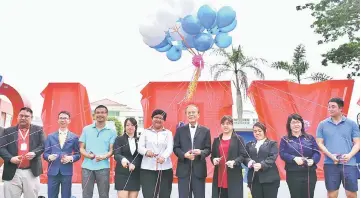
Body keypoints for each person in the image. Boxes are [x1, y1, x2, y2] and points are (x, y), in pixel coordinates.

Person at [316, 98, 360, 198]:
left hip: (349, 164)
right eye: (329, 107)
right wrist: (331, 156)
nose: (330, 109)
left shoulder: (351, 124)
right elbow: (319, 143)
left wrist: (349, 155)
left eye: (333, 107)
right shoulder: (322, 124)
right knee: (332, 194)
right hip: (330, 164)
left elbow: (357, 143)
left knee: (351, 194)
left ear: (340, 108)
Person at [0, 107, 45, 198]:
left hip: (31, 171)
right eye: (21, 115)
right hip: (13, 171)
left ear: (31, 118)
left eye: (26, 116)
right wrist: (11, 158)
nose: (23, 118)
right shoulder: (7, 131)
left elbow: (43, 145)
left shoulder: (38, 130)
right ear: (17, 117)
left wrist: (34, 153)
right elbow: (1, 147)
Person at [173, 104, 211, 198]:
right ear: (186, 115)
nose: (191, 114)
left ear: (198, 115)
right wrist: (184, 155)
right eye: (189, 112)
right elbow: (176, 148)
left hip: (199, 170)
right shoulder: (180, 130)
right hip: (183, 171)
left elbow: (208, 149)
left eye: (193, 112)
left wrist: (201, 152)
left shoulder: (205, 130)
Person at [79, 105, 117, 198]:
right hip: (87, 167)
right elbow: (81, 148)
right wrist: (88, 155)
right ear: (94, 115)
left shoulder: (112, 131)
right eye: (98, 112)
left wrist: (104, 156)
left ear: (106, 115)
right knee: (86, 195)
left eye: (103, 112)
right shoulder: (86, 129)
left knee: (104, 195)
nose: (100, 114)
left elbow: (111, 150)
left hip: (103, 167)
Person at [279, 113, 320, 198]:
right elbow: (282, 153)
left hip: (309, 173)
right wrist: (294, 158)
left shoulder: (310, 138)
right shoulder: (285, 139)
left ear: (302, 124)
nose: (296, 125)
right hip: (293, 174)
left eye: (298, 122)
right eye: (293, 122)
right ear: (289, 125)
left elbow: (317, 153)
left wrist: (313, 160)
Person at [43, 111, 81, 198]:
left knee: (66, 195)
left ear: (69, 121)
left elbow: (78, 154)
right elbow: (45, 153)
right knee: (51, 195)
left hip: (66, 171)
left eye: (65, 118)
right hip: (53, 171)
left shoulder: (74, 137)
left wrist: (71, 158)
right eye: (61, 118)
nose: (63, 120)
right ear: (58, 120)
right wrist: (49, 156)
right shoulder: (50, 136)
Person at [138, 109, 173, 198]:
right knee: (148, 195)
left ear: (164, 120)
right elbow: (140, 147)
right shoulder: (145, 132)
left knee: (164, 195)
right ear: (152, 119)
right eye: (156, 117)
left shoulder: (168, 133)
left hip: (165, 169)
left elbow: (169, 148)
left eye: (161, 118)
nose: (158, 119)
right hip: (147, 169)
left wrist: (163, 157)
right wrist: (146, 152)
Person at [210, 115, 248, 198]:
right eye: (223, 124)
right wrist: (214, 160)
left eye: (228, 123)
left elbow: (243, 155)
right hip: (219, 174)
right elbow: (212, 156)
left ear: (232, 125)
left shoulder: (238, 139)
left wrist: (234, 162)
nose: (225, 126)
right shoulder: (217, 140)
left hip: (234, 175)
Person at [244, 122, 280, 198]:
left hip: (270, 179)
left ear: (265, 131)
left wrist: (261, 165)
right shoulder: (249, 144)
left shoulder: (272, 144)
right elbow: (244, 157)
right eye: (255, 131)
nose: (257, 133)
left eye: (259, 131)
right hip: (254, 179)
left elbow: (272, 157)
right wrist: (250, 162)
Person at [114, 117, 143, 198]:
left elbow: (141, 156)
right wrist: (123, 160)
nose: (130, 127)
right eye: (127, 125)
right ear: (125, 127)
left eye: (132, 125)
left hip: (135, 173)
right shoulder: (119, 139)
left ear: (136, 127)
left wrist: (134, 164)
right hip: (122, 173)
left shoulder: (140, 140)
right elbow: (116, 154)